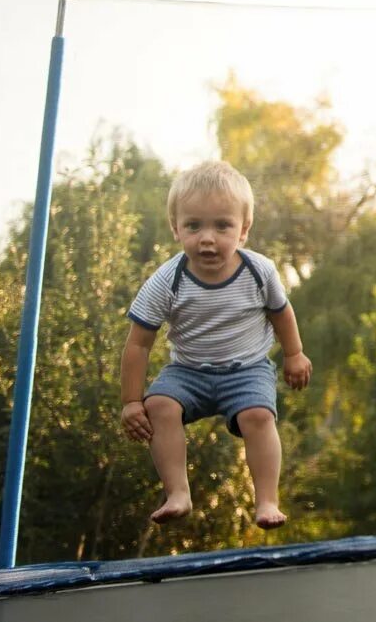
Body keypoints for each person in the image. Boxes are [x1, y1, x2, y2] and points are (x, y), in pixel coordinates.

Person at [119, 160, 312, 528]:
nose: (207, 238)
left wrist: (294, 353)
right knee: (158, 404)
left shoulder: (259, 271)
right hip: (188, 370)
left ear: (243, 230)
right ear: (176, 228)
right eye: (194, 226)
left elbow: (281, 313)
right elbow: (138, 344)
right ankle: (177, 492)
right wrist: (131, 401)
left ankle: (267, 501)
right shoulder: (167, 280)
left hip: (247, 369)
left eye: (222, 225)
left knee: (258, 415)